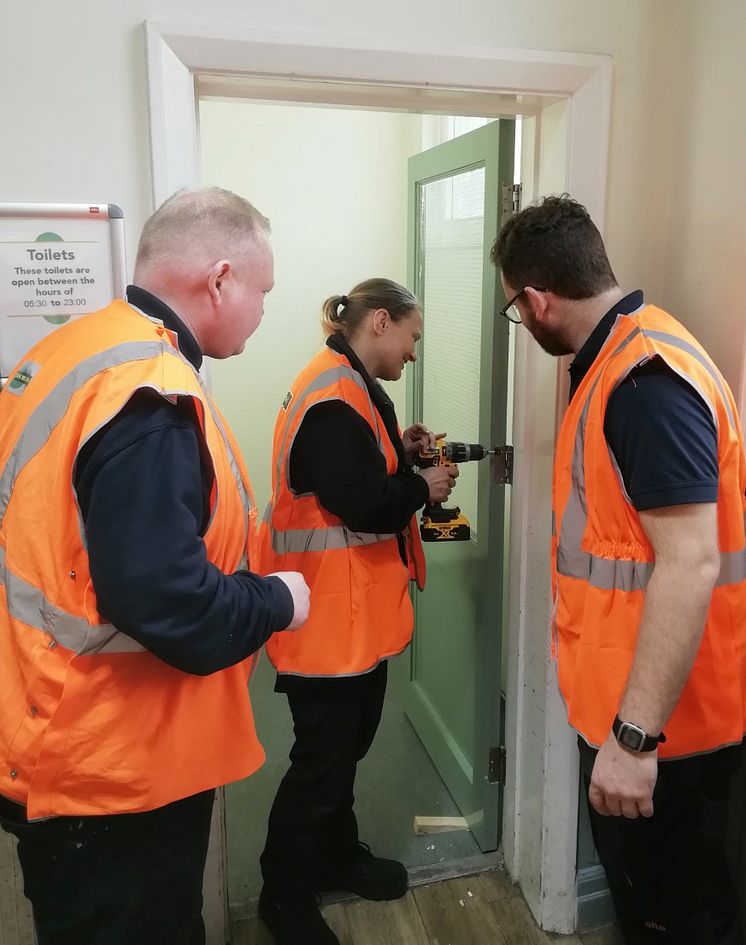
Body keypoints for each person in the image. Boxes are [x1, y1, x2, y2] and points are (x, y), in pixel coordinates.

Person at [0, 187, 310, 945]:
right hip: (108, 768)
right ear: (220, 279)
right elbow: (167, 601)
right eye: (262, 292)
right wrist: (277, 599)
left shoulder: (68, 350)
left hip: (59, 730)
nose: (264, 311)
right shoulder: (151, 393)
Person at [491, 194, 746, 944]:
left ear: (537, 299)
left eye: (516, 308)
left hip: (669, 734)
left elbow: (692, 562)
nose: (523, 321)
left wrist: (635, 741)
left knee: (677, 917)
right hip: (635, 715)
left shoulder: (643, 384)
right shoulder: (613, 362)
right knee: (653, 908)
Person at [257, 278, 456, 945]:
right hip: (326, 625)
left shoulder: (348, 386)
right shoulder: (332, 400)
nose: (414, 352)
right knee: (321, 764)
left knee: (340, 756)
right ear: (380, 321)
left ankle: (336, 856)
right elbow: (363, 501)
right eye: (413, 336)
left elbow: (360, 474)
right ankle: (281, 893)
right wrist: (421, 484)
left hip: (350, 620)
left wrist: (405, 453)